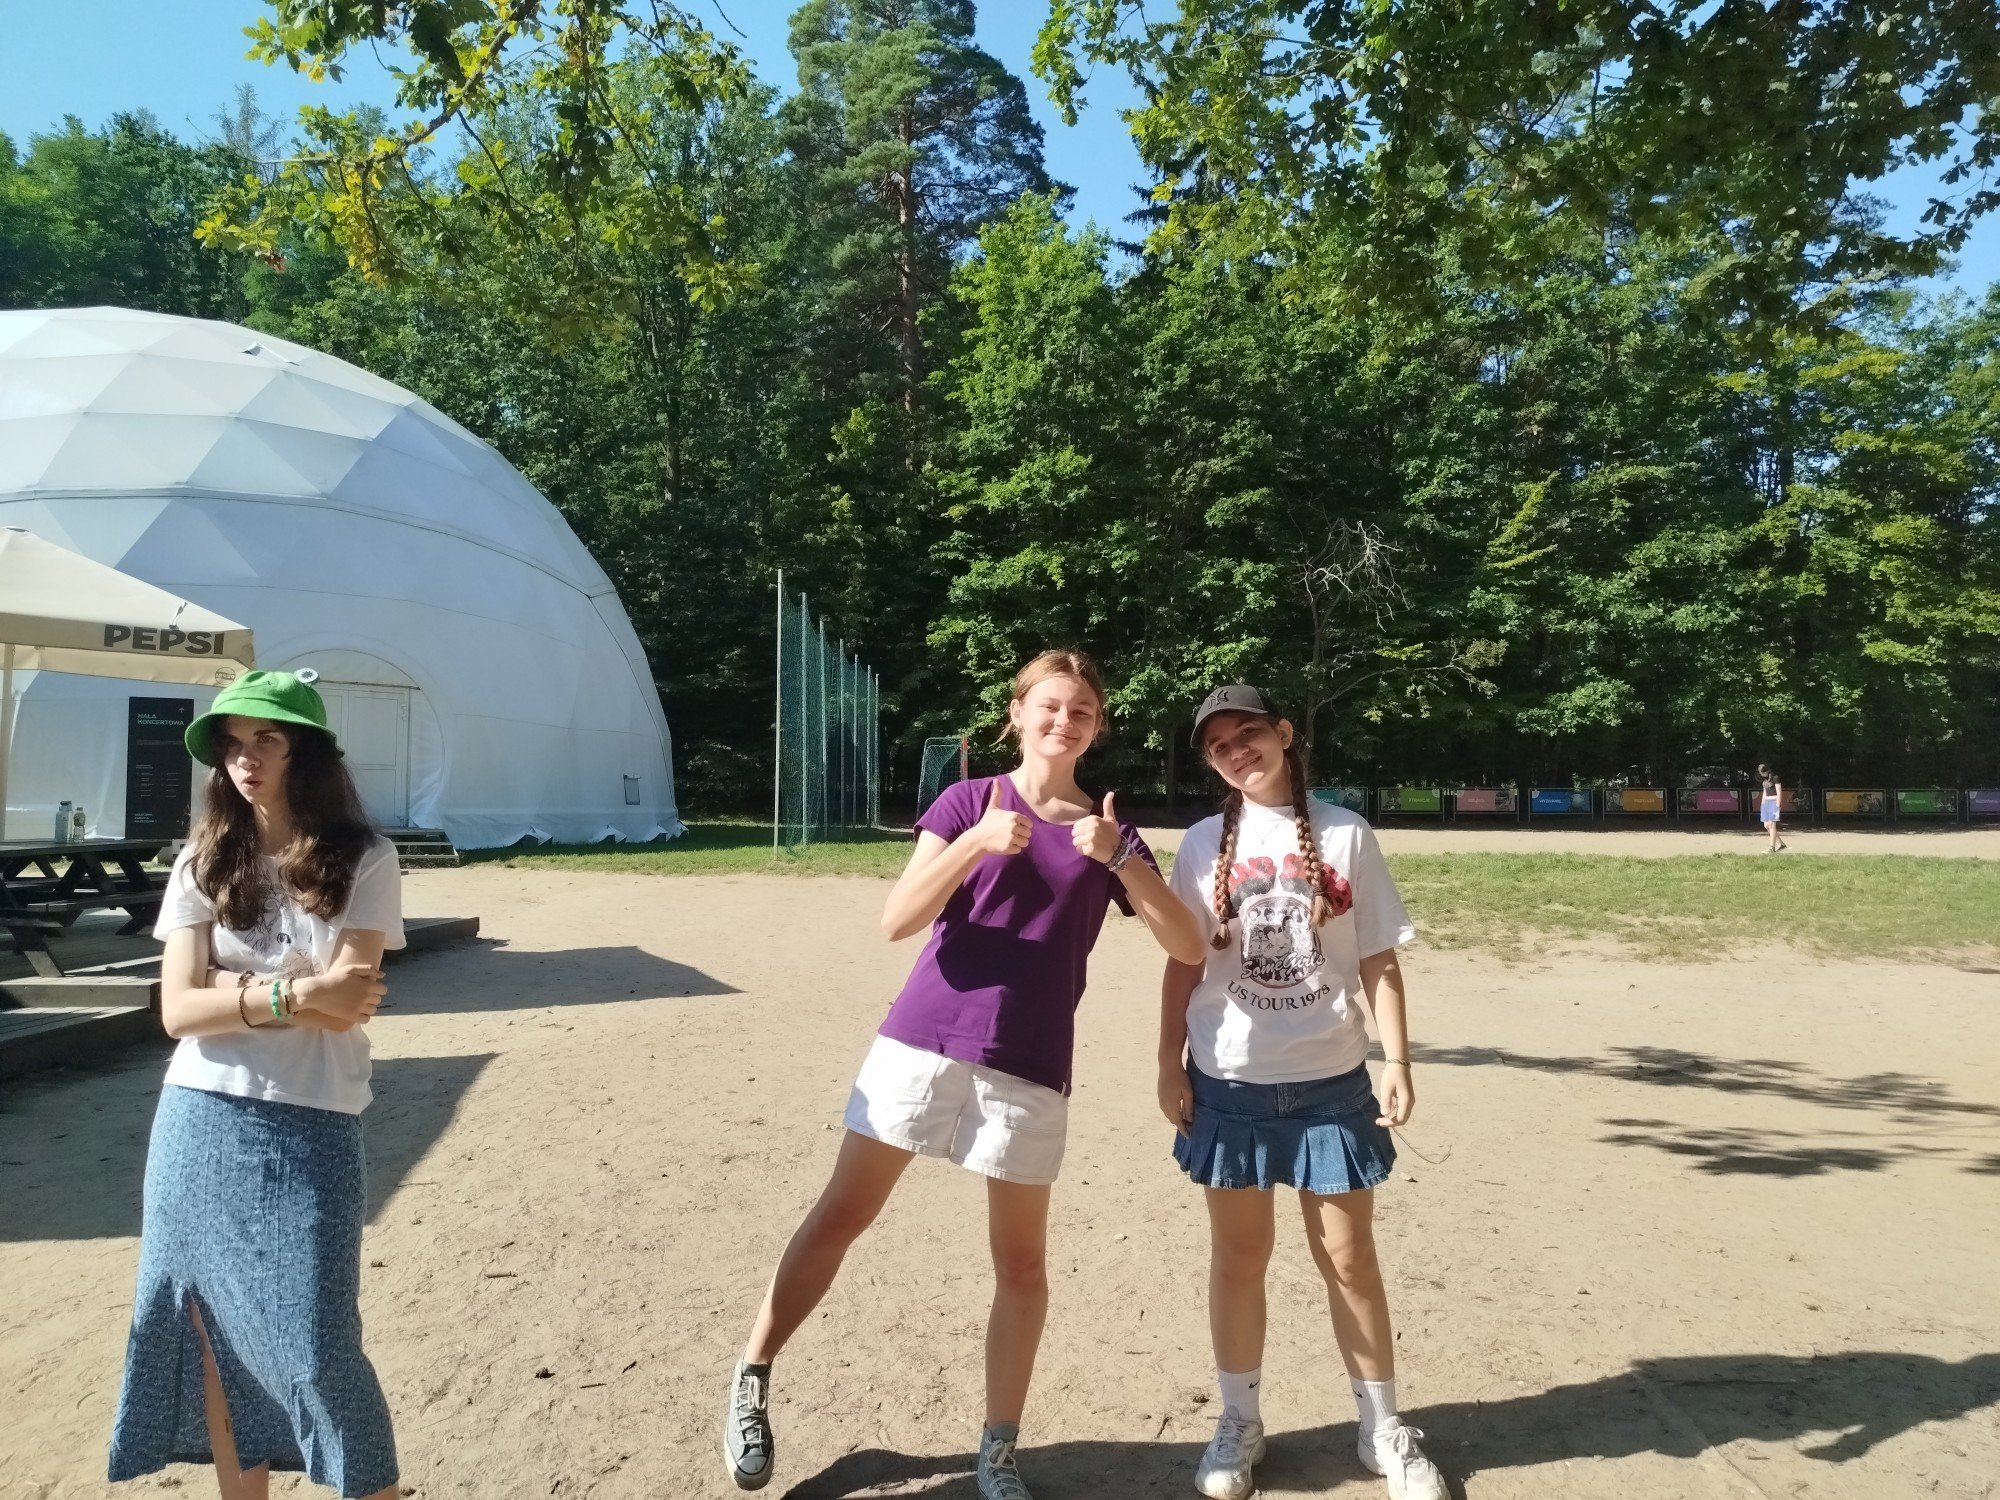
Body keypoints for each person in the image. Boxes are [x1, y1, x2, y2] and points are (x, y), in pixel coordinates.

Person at [722, 650, 1207, 1498]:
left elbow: (1189, 945)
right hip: (924, 1042)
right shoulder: (966, 802)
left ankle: (998, 1449)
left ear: (1097, 726)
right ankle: (752, 1376)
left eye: (1082, 711)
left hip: (1031, 1064)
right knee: (842, 1215)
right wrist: (978, 842)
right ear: (1017, 713)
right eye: (1049, 705)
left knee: (1020, 1267)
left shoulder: (1109, 830)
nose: (1064, 721)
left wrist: (1121, 861)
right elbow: (897, 919)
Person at [109, 670, 406, 1500]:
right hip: (198, 1120)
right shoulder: (203, 860)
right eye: (232, 745)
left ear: (306, 752)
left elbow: (347, 1006)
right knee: (209, 1338)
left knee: (317, 1350)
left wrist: (235, 993)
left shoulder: (366, 858)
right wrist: (291, 994)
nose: (246, 759)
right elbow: (177, 1011)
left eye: (266, 740)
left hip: (312, 1120)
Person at [1158, 685, 1448, 1500]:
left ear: (1284, 733)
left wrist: (1398, 1059)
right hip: (1229, 1086)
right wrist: (1166, 1063)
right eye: (1219, 745)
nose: (1237, 751)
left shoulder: (1347, 833)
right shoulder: (1201, 844)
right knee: (1238, 1260)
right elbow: (1183, 963)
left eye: (1249, 733)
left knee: (1350, 1260)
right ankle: (1239, 1423)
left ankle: (1382, 1428)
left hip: (1330, 1083)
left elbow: (1379, 956)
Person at [1758, 763, 1786, 853]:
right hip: (1766, 803)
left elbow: (1779, 792)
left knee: (1772, 825)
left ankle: (1771, 847)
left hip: (1774, 801)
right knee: (1766, 825)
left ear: (1766, 771)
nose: (1761, 775)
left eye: (1762, 773)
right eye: (1760, 773)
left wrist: (1778, 804)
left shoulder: (1775, 778)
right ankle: (1781, 844)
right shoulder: (1764, 781)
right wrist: (1762, 805)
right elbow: (1764, 793)